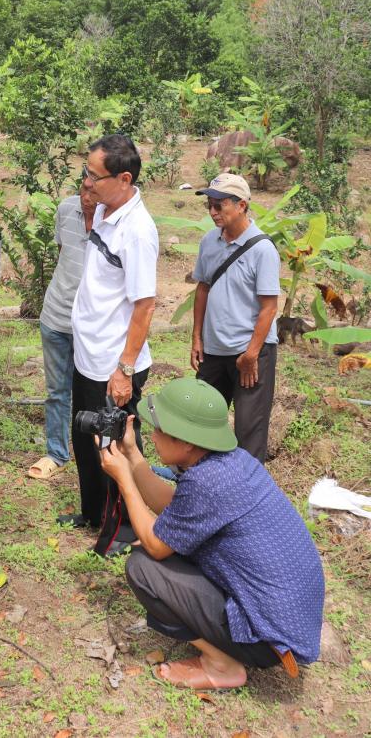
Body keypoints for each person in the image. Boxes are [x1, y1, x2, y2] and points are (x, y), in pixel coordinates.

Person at [99, 377, 324, 691]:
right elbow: (171, 505)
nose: (153, 435)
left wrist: (123, 478)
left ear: (188, 442)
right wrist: (133, 455)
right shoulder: (230, 463)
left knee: (143, 566)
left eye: (160, 429)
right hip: (286, 621)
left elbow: (155, 545)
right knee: (160, 548)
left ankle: (223, 665)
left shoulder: (207, 483)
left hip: (270, 638)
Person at [66, 134, 158, 554]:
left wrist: (124, 368)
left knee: (115, 447)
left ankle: (121, 529)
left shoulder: (138, 230)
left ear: (124, 178)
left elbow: (144, 306)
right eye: (85, 172)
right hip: (88, 354)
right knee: (85, 439)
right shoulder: (105, 209)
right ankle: (91, 512)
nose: (87, 182)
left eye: (94, 176)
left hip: (113, 364)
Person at [190, 173, 280, 462]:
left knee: (248, 429)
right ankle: (195, 481)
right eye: (210, 206)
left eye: (220, 205)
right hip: (214, 350)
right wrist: (196, 338)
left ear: (241, 205)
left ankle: (246, 492)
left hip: (249, 353)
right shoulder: (209, 242)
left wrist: (251, 355)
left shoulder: (262, 249)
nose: (213, 212)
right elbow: (203, 288)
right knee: (201, 421)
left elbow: (269, 307)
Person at [27, 184, 98, 481]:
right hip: (55, 316)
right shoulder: (66, 209)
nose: (86, 193)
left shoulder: (117, 221)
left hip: (93, 325)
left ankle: (97, 452)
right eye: (84, 186)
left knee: (93, 396)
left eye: (94, 188)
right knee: (56, 391)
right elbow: (63, 256)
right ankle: (56, 453)